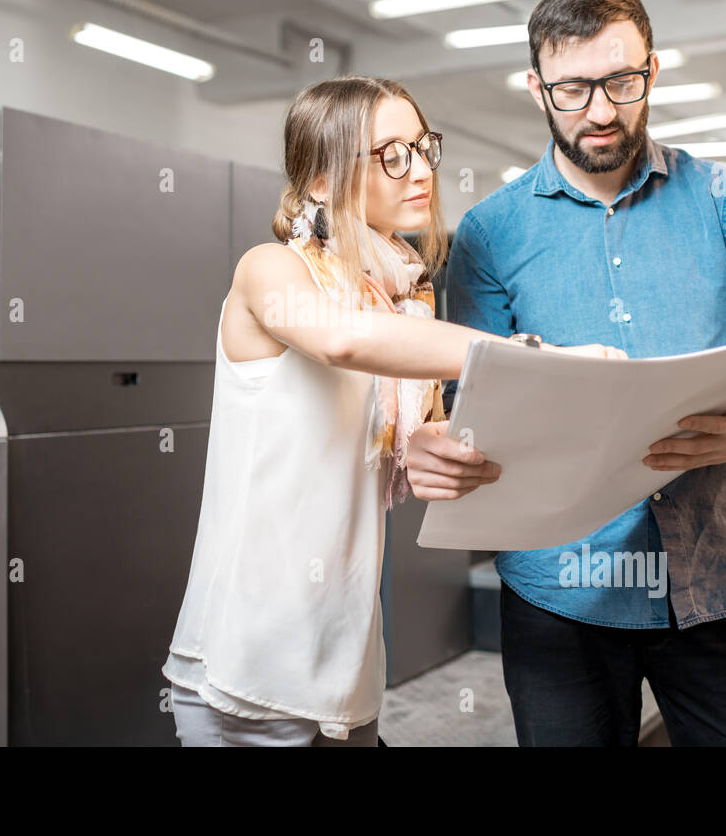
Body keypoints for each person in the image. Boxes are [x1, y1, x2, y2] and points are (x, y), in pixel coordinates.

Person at [406, 0, 726, 746]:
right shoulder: (489, 233)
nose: (600, 111)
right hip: (559, 596)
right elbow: (470, 407)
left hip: (716, 585)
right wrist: (438, 445)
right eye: (572, 89)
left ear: (653, 70)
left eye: (622, 81)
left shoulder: (723, 200)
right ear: (536, 87)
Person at [161, 75, 626, 747]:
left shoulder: (408, 301)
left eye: (422, 147)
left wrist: (444, 454)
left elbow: (413, 444)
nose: (421, 170)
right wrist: (537, 355)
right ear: (320, 180)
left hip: (347, 663)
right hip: (249, 661)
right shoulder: (271, 272)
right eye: (390, 155)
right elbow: (342, 339)